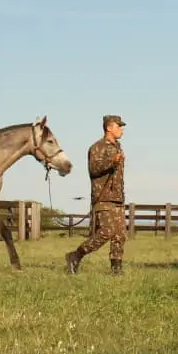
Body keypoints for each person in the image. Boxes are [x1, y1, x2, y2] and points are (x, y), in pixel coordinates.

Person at [66, 115, 127, 275]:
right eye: (119, 126)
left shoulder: (118, 147)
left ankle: (116, 269)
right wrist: (112, 161)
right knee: (106, 231)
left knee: (120, 235)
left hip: (117, 197)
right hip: (103, 197)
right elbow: (94, 169)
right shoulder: (97, 147)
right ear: (109, 128)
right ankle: (75, 256)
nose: (121, 130)